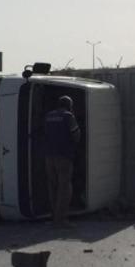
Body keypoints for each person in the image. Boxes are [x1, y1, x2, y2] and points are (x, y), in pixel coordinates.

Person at [43, 94, 81, 227]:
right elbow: (76, 135)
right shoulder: (68, 116)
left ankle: (54, 217)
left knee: (53, 186)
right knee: (64, 187)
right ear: (69, 105)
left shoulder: (48, 116)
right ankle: (61, 220)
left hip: (49, 156)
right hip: (64, 156)